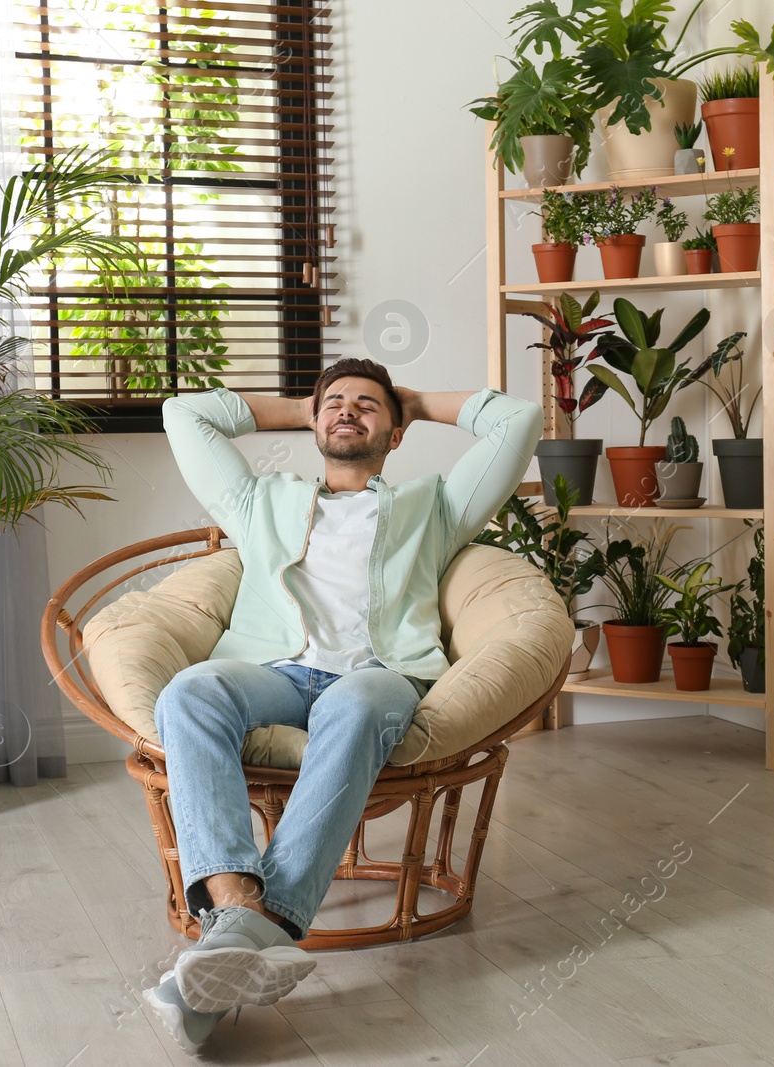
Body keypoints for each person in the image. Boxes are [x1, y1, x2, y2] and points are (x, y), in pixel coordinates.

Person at [141, 358, 540, 1050]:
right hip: (274, 670)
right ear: (313, 421)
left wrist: (414, 398)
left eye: (368, 405)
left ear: (397, 430)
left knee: (356, 702)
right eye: (336, 403)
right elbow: (185, 413)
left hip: (380, 674)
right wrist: (303, 405)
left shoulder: (435, 505)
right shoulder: (257, 500)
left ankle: (224, 954)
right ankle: (242, 910)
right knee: (190, 691)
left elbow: (519, 421)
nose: (348, 410)